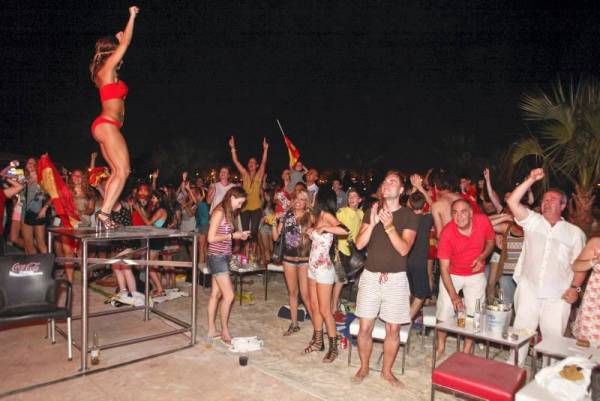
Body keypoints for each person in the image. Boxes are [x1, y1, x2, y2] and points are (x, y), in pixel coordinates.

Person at [507, 168, 587, 366]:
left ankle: (545, 382)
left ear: (563, 205)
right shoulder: (533, 222)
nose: (546, 203)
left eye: (552, 200)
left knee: (553, 343)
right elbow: (512, 202)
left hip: (558, 296)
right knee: (520, 334)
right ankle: (512, 373)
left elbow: (580, 265)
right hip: (529, 290)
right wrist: (530, 180)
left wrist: (575, 288)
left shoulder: (574, 233)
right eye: (544, 200)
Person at [353, 170, 419, 387]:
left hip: (396, 279)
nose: (387, 184)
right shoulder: (371, 211)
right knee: (365, 327)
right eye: (385, 181)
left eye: (393, 182)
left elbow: (403, 250)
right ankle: (363, 367)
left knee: (393, 329)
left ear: (401, 190)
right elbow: (360, 244)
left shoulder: (409, 216)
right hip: (371, 276)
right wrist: (372, 223)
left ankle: (387, 371)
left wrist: (389, 226)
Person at [89, 6, 139, 230]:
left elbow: (118, 60)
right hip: (108, 125)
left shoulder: (107, 71)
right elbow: (127, 44)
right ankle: (105, 213)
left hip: (105, 126)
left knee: (117, 172)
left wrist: (117, 44)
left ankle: (105, 214)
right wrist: (131, 16)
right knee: (125, 170)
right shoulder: (106, 69)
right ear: (111, 53)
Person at [435, 199, 495, 356]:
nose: (459, 216)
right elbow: (444, 269)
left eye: (463, 212)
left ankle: (467, 349)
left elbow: (490, 241)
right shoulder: (447, 233)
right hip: (452, 274)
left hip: (475, 275)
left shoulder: (482, 221)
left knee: (474, 313)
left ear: (471, 213)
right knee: (445, 310)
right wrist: (454, 296)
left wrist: (482, 256)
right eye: (455, 212)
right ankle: (440, 344)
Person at [304, 188, 348, 362]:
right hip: (312, 266)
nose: (313, 199)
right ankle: (318, 341)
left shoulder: (327, 215)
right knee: (314, 306)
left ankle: (333, 347)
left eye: (315, 197)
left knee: (325, 309)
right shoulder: (316, 216)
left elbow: (344, 231)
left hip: (324, 269)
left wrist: (326, 227)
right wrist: (311, 231)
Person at [206, 187, 249, 343]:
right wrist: (232, 235)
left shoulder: (229, 212)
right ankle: (224, 330)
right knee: (229, 295)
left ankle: (211, 329)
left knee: (216, 295)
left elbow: (227, 235)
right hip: (216, 257)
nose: (240, 206)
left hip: (223, 256)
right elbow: (210, 238)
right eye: (239, 202)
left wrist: (239, 236)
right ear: (231, 198)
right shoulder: (219, 212)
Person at [272, 189, 314, 336]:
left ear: (306, 202)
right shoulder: (287, 215)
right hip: (288, 259)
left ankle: (317, 327)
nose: (298, 201)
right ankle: (294, 324)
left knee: (305, 294)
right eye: (296, 198)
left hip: (304, 260)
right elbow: (276, 237)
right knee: (292, 293)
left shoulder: (311, 217)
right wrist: (274, 222)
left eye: (302, 199)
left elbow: (320, 235)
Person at [228, 136, 269, 258]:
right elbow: (236, 161)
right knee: (245, 233)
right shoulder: (245, 174)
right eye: (249, 162)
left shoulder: (259, 176)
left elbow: (264, 162)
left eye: (253, 163)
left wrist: (265, 149)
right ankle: (245, 256)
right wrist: (233, 148)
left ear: (256, 166)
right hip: (244, 208)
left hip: (256, 208)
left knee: (254, 232)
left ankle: (254, 256)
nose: (251, 164)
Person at [333, 188, 364, 314]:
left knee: (347, 279)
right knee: (340, 280)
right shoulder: (341, 211)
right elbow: (334, 226)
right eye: (350, 196)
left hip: (354, 250)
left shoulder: (361, 214)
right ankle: (333, 307)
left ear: (360, 200)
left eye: (354, 196)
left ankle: (338, 303)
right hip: (341, 250)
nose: (351, 199)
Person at [406, 191, 434, 319]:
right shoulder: (427, 219)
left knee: (412, 291)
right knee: (421, 294)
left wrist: (413, 193)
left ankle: (405, 317)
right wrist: (420, 188)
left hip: (407, 261)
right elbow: (434, 206)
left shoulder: (407, 218)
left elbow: (408, 206)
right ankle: (406, 320)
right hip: (419, 262)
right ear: (424, 206)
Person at [572, 236, 600, 346]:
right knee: (585, 353)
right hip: (594, 308)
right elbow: (576, 266)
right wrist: (595, 260)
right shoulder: (596, 243)